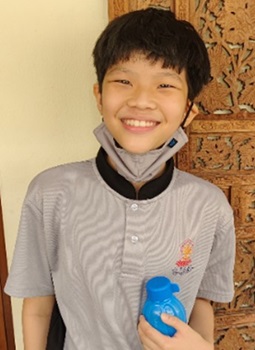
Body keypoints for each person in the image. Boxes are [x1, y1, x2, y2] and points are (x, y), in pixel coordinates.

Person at [5, 7, 235, 350]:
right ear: (99, 96)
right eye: (124, 80)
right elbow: (38, 307)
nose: (141, 100)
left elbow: (201, 303)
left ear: (189, 110)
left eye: (165, 85)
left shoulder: (210, 205)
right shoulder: (50, 192)